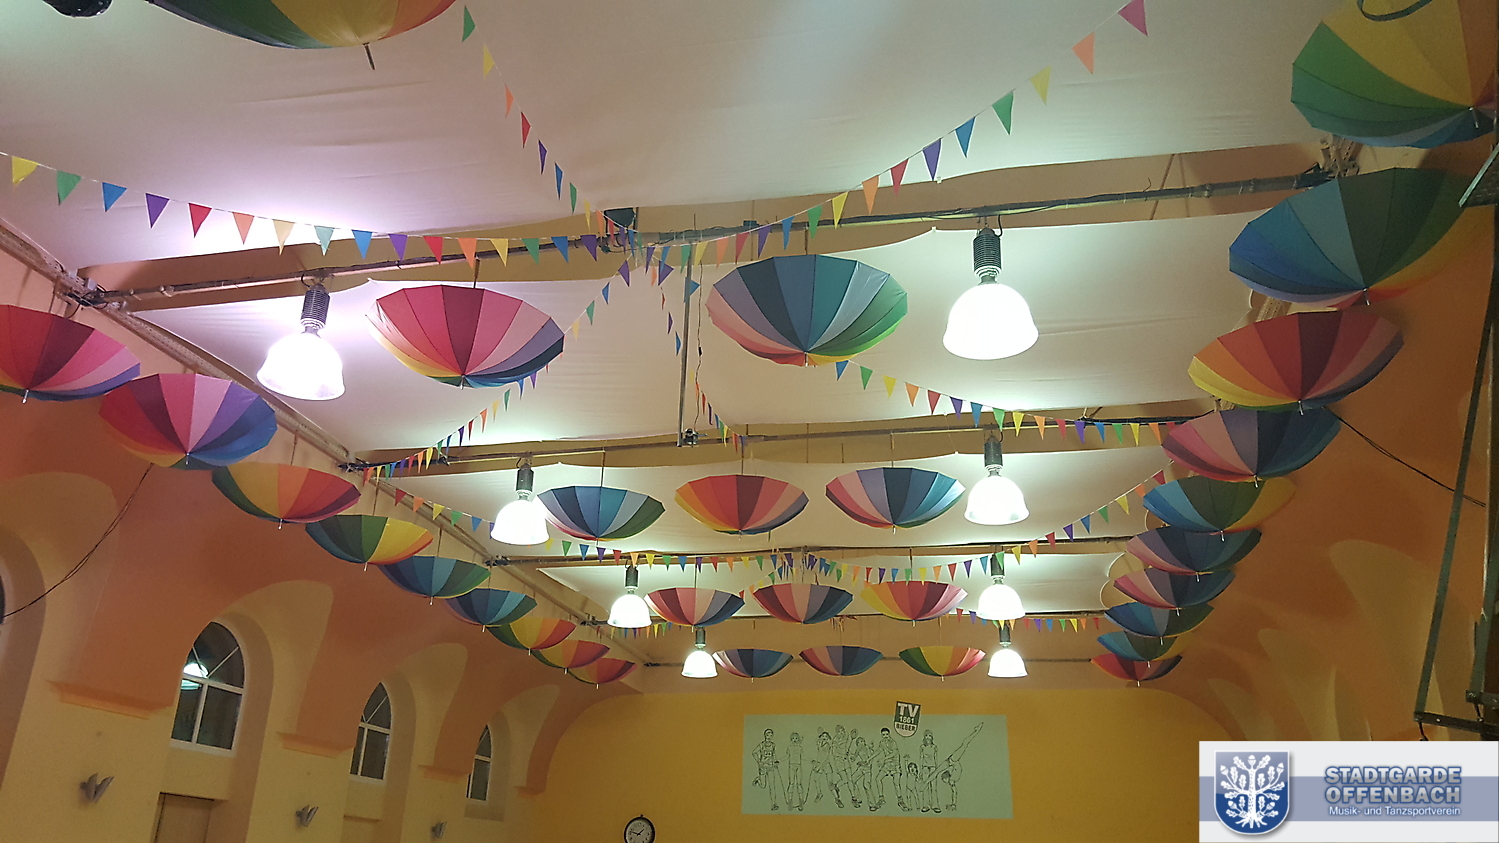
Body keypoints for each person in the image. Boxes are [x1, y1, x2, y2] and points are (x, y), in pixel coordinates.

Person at [936, 723, 984, 812]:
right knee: (965, 744)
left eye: (943, 780)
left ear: (946, 778)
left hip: (953, 760)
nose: (944, 782)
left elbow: (954, 791)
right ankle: (976, 731)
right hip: (954, 761)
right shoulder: (951, 780)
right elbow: (954, 792)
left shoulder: (951, 780)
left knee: (965, 743)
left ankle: (977, 730)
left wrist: (953, 804)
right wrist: (953, 804)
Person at [752, 728, 784, 811]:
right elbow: (754, 752)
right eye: (767, 735)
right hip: (763, 767)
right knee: (763, 786)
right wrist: (759, 762)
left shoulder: (773, 745)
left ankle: (774, 804)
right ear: (765, 736)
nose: (769, 737)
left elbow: (774, 755)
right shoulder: (761, 745)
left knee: (772, 786)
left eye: (770, 735)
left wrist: (775, 762)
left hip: (771, 767)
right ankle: (758, 780)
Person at [871, 727, 901, 810]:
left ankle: (900, 800)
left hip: (895, 764)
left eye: (887, 734)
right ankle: (881, 799)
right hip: (887, 764)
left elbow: (894, 753)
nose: (885, 736)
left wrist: (883, 759)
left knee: (896, 783)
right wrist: (869, 758)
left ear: (889, 734)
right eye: (883, 735)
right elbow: (878, 751)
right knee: (878, 779)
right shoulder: (882, 742)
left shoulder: (893, 742)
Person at [808, 731, 834, 805]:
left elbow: (825, 758)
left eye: (826, 736)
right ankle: (819, 793)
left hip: (825, 765)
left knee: (830, 783)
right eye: (823, 736)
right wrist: (816, 764)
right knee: (816, 779)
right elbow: (819, 755)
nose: (824, 738)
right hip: (819, 764)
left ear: (828, 738)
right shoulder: (819, 744)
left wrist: (818, 767)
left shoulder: (827, 746)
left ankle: (837, 798)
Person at [830, 725, 850, 808]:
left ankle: (836, 786)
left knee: (848, 780)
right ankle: (835, 787)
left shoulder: (846, 736)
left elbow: (847, 745)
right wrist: (842, 756)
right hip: (839, 762)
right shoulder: (835, 741)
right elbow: (834, 753)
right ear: (836, 733)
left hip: (846, 761)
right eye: (839, 731)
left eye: (842, 731)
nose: (841, 733)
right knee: (845, 779)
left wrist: (847, 753)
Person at [786, 732, 806, 811]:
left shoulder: (800, 748)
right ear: (791, 739)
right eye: (793, 738)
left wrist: (812, 761)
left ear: (798, 739)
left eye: (796, 738)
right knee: (791, 784)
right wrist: (778, 761)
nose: (794, 740)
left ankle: (801, 801)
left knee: (799, 784)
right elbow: (786, 757)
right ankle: (790, 801)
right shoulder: (789, 748)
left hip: (798, 766)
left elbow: (803, 757)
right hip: (791, 766)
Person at [919, 730, 938, 813]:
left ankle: (935, 805)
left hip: (933, 767)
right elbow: (921, 758)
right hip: (925, 767)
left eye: (929, 736)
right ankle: (926, 805)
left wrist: (937, 769)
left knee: (933, 787)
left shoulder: (934, 747)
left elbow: (936, 758)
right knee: (925, 786)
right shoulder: (922, 747)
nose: (928, 737)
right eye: (926, 735)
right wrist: (920, 770)